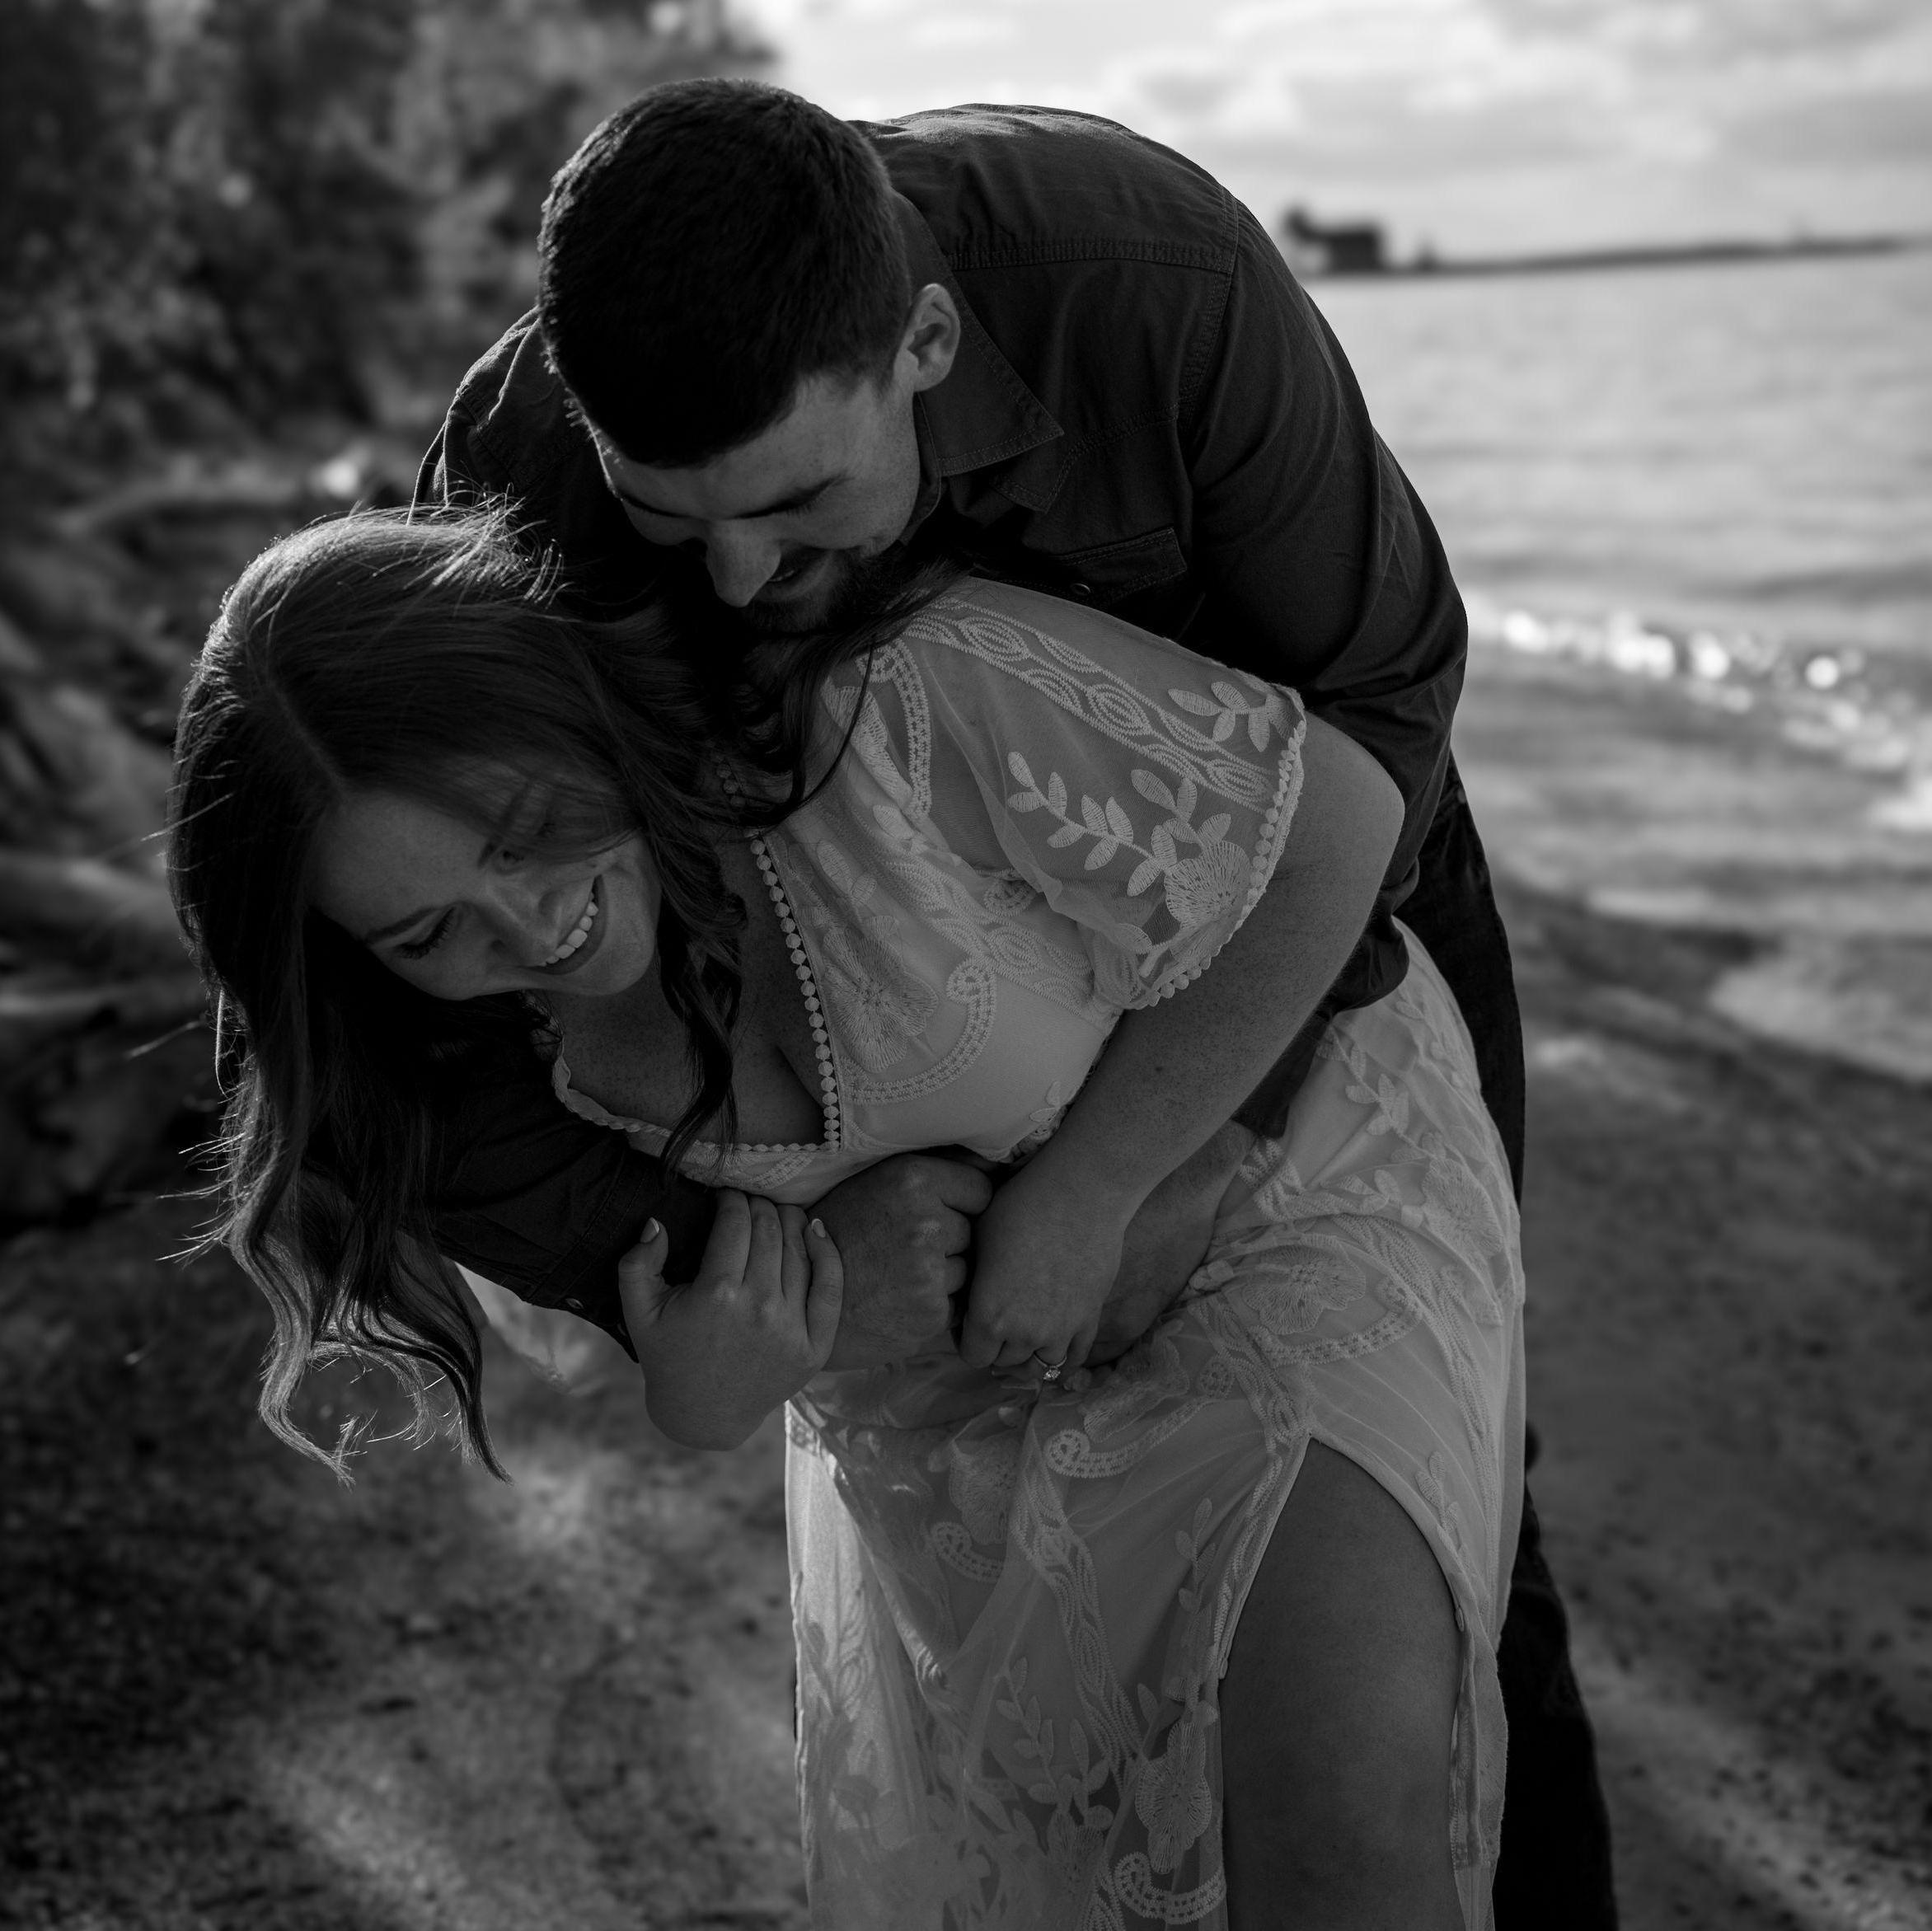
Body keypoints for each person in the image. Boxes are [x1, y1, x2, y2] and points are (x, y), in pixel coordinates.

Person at [416, 82, 1613, 1924]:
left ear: (925, 341)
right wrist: (734, 1279)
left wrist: (1125, 1169)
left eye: (796, 500)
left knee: (1443, 1526)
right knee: (1059, 1679)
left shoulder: (1158, 288)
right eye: (670, 521)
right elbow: (408, 1003)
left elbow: (1377, 718)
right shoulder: (517, 475)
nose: (737, 575)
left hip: (1307, 893)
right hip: (904, 1042)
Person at [171, 506, 1522, 1929]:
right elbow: (704, 1341)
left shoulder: (895, 697)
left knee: (1342, 1824)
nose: (526, 926)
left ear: (564, 705)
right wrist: (723, 1375)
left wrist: (1095, 1190)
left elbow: (1339, 830)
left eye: (524, 831)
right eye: (426, 932)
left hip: (1281, 1182)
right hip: (957, 1399)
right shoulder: (481, 1082)